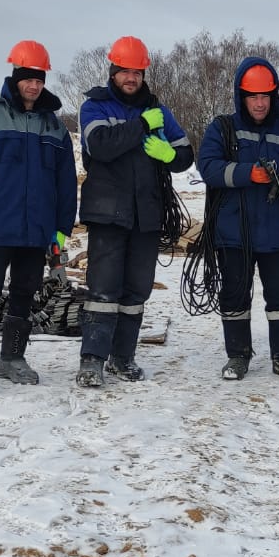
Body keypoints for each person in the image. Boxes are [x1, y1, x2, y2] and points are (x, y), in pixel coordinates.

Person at [0, 39, 78, 396]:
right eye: (28, 79)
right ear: (15, 77)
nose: (34, 86)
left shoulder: (54, 127)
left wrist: (60, 229)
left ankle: (12, 359)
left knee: (25, 293)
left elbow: (65, 182)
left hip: (36, 230)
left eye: (39, 79)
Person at [74, 35, 194, 387]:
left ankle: (122, 357)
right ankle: (92, 360)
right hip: (107, 213)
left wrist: (169, 155)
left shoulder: (160, 112)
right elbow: (99, 146)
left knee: (136, 291)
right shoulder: (94, 107)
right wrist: (141, 126)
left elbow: (186, 155)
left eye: (137, 73)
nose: (131, 78)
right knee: (103, 289)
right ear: (113, 72)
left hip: (146, 214)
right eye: (125, 71)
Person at [196, 56, 279, 381]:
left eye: (265, 96)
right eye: (252, 96)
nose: (259, 103)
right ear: (241, 97)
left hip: (277, 231)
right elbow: (208, 167)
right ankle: (238, 356)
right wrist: (246, 173)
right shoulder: (223, 128)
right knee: (234, 296)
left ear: (273, 95)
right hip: (233, 231)